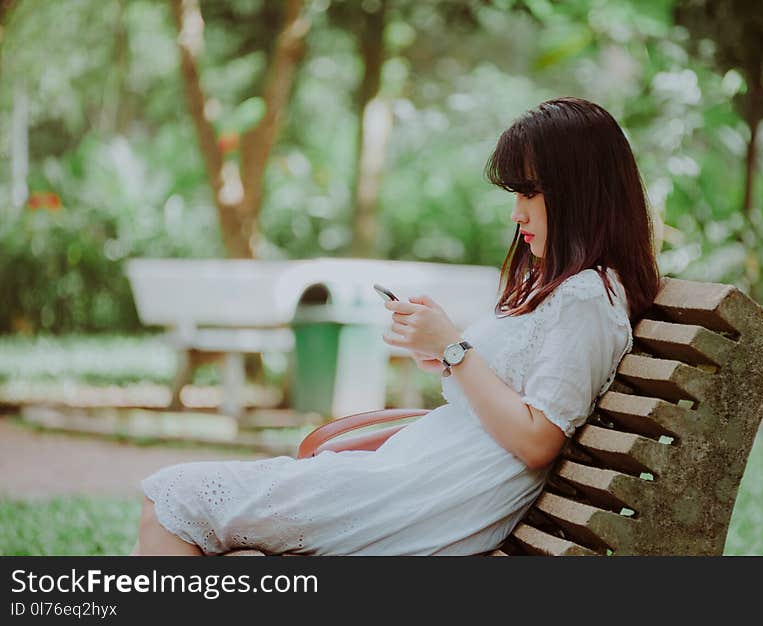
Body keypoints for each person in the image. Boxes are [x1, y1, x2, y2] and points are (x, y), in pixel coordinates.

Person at [131, 96, 661, 556]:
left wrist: (455, 349)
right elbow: (510, 398)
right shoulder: (567, 289)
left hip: (429, 498)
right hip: (415, 478)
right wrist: (445, 355)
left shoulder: (587, 297)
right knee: (169, 504)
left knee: (171, 498)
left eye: (530, 193)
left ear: (580, 193)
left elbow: (537, 439)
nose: (517, 213)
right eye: (515, 195)